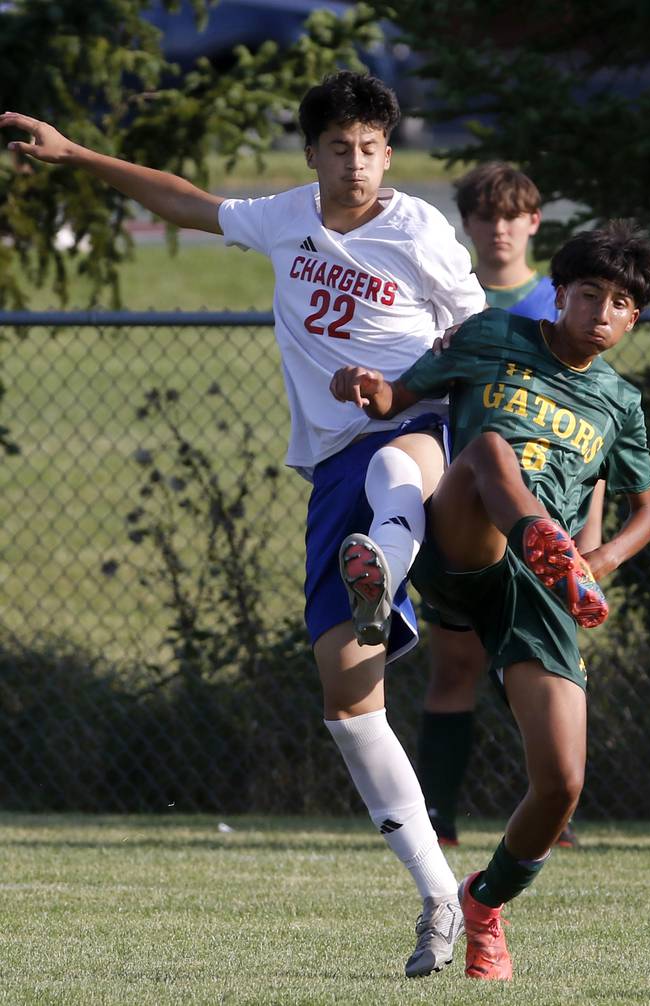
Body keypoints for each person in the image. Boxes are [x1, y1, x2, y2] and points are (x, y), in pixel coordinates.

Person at [0, 71, 487, 978]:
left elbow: (480, 339)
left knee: (394, 465)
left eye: (372, 148)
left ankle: (379, 567)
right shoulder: (286, 217)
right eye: (338, 147)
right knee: (349, 708)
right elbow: (186, 204)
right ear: (312, 155)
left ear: (390, 152)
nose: (356, 163)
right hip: (335, 470)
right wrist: (73, 155)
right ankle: (435, 897)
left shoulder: (419, 231)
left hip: (419, 433)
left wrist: (405, 388)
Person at [331, 219, 650, 980]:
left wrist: (601, 558)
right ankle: (515, 540)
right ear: (560, 293)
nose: (602, 313)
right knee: (488, 449)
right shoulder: (491, 336)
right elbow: (396, 397)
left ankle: (483, 904)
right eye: (589, 295)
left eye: (620, 303)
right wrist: (365, 386)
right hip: (469, 540)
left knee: (561, 785)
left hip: (543, 588)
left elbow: (649, 510)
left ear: (635, 318)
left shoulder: (619, 402)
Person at [415, 161, 597, 850]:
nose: (497, 229)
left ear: (534, 222)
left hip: (542, 519)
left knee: (536, 665)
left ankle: (556, 812)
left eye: (509, 215)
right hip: (464, 515)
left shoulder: (562, 304)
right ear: (467, 225)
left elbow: (595, 419)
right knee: (456, 663)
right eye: (484, 217)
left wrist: (586, 530)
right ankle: (436, 819)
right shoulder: (450, 303)